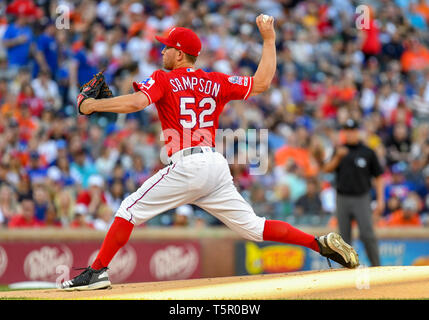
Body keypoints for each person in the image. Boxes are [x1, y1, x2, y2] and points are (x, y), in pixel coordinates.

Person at [61, 16, 359, 291]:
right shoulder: (214, 80)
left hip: (188, 163)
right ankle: (319, 244)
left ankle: (97, 271)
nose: (161, 51)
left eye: (166, 47)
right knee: (254, 227)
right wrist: (269, 39)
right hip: (214, 165)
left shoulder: (163, 79)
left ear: (179, 54)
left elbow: (136, 103)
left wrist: (91, 106)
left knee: (128, 209)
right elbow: (263, 82)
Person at [320, 118, 384, 267]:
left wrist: (381, 199)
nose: (349, 134)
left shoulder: (367, 152)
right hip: (342, 198)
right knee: (344, 237)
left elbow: (379, 177)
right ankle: (347, 268)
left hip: (362, 197)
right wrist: (338, 157)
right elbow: (326, 169)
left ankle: (377, 267)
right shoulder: (339, 150)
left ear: (357, 132)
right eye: (347, 131)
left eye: (352, 131)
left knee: (367, 234)